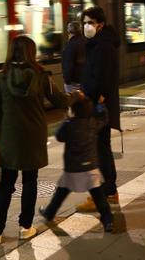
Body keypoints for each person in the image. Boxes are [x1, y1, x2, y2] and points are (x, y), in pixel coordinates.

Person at [0, 36, 66, 244]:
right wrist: (79, 96)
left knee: (5, 186)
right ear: (32, 52)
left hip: (9, 140)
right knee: (30, 182)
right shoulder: (41, 76)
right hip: (33, 138)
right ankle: (26, 227)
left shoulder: (1, 77)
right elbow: (60, 101)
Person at [38, 91, 115, 232]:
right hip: (91, 168)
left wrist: (66, 119)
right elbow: (104, 119)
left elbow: (59, 137)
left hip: (72, 168)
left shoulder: (69, 125)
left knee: (60, 193)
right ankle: (108, 220)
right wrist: (101, 105)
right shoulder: (93, 123)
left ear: (72, 110)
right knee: (99, 198)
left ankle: (49, 212)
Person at [75, 6, 121, 213]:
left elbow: (100, 78)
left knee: (98, 151)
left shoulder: (102, 46)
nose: (86, 26)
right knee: (101, 149)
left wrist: (90, 96)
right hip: (100, 104)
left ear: (100, 25)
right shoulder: (100, 43)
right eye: (84, 22)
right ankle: (109, 192)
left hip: (97, 106)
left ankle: (102, 195)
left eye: (90, 23)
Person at [61, 21, 85, 92]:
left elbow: (69, 65)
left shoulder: (70, 46)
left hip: (74, 81)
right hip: (85, 79)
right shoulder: (85, 41)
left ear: (69, 31)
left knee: (74, 101)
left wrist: (67, 80)